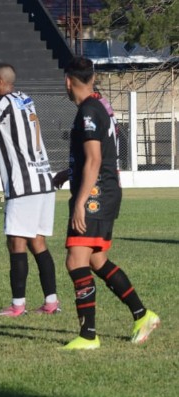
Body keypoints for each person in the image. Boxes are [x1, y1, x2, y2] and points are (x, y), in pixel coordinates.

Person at [53, 57, 160, 349]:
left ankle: (88, 336)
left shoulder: (88, 110)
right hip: (105, 190)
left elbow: (96, 158)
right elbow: (101, 152)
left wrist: (80, 202)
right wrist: (68, 173)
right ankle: (142, 314)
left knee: (76, 259)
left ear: (68, 80)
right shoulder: (99, 103)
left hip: (96, 195)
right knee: (96, 259)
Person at [0, 63, 60, 317]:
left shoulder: (4, 101)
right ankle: (51, 302)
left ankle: (18, 306)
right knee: (37, 241)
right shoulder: (24, 99)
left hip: (24, 184)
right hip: (43, 180)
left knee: (15, 242)